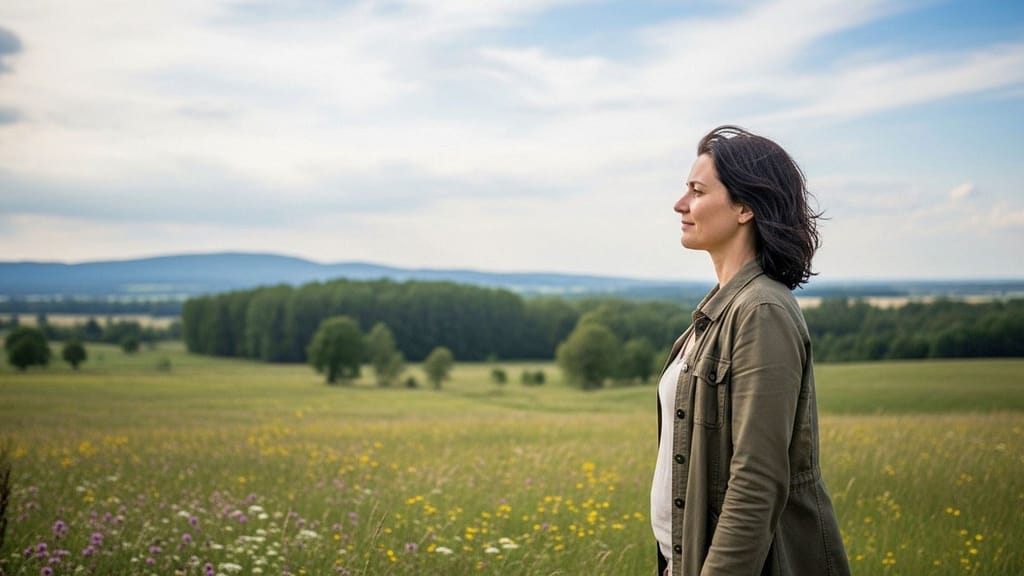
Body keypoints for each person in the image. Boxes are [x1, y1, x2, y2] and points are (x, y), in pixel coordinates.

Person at [651, 126, 850, 576]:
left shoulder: (761, 312)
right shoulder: (715, 313)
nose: (680, 204)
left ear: (744, 207)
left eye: (697, 191)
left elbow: (756, 481)